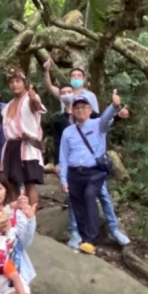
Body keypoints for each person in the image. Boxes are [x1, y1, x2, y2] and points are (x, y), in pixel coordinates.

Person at [59, 91, 129, 255]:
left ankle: (92, 239)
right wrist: (63, 179)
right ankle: (84, 239)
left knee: (90, 195)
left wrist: (114, 106)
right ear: (72, 111)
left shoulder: (98, 125)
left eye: (84, 107)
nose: (80, 110)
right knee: (77, 204)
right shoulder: (68, 132)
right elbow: (63, 157)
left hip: (94, 171)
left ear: (90, 110)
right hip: (74, 173)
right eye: (77, 108)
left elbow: (107, 118)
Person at [0, 68, 47, 209]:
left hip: (27, 146)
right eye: (11, 82)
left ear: (24, 82)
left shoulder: (29, 99)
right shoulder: (7, 106)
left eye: (18, 81)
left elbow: (36, 106)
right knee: (11, 183)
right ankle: (16, 216)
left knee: (29, 182)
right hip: (11, 146)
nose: (14, 84)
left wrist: (34, 98)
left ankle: (32, 216)